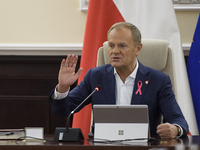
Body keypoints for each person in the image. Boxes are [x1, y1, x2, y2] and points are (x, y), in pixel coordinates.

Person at [50, 22, 189, 139]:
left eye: (122, 46)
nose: (114, 51)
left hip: (143, 147)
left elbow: (179, 121)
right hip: (103, 147)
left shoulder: (158, 80)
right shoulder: (95, 77)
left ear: (138, 49)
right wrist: (62, 87)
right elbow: (63, 110)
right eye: (111, 46)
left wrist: (175, 129)